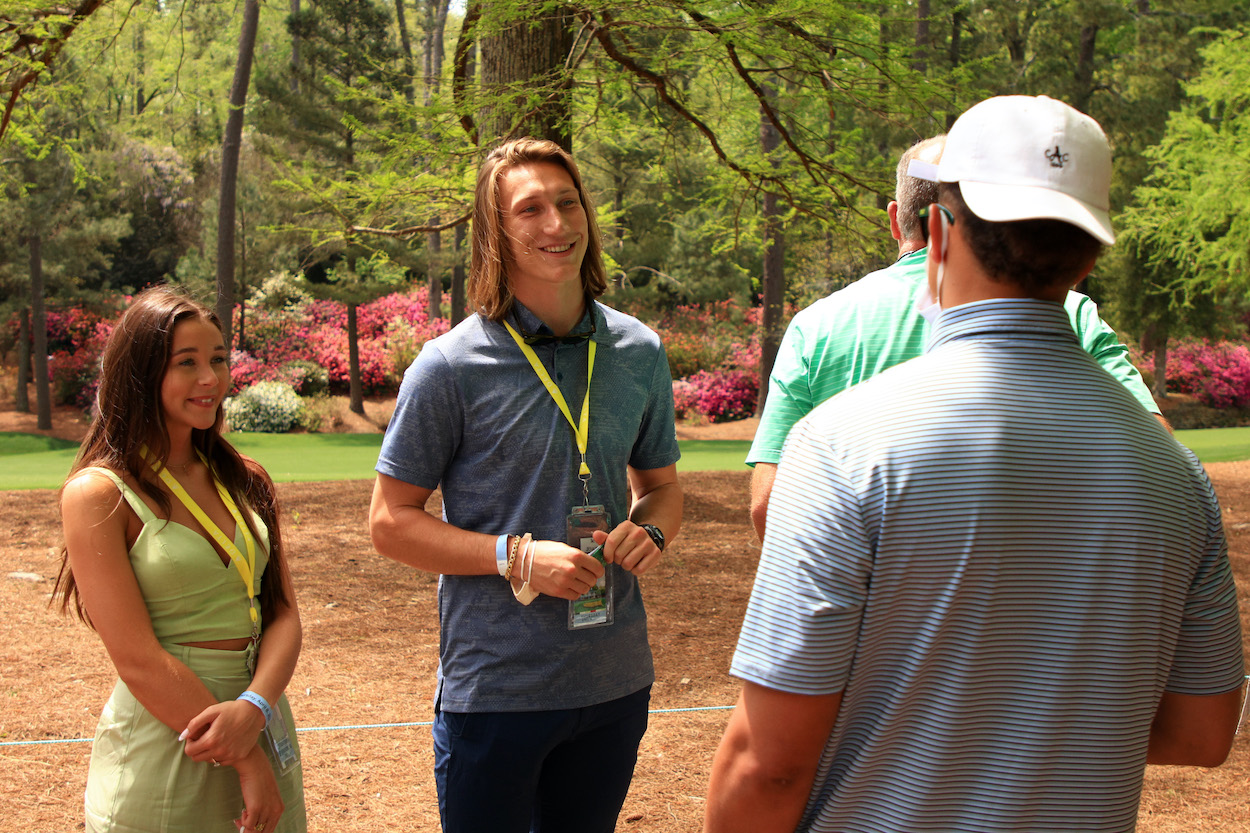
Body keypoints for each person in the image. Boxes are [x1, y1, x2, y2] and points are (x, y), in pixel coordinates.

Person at [704, 95, 1244, 833]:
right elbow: (1202, 733)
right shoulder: (1177, 477)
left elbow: (769, 765)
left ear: (936, 233)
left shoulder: (841, 446)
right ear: (1088, 257)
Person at [369, 137, 683, 833]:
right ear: (496, 235)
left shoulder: (638, 351)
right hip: (497, 692)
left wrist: (651, 527)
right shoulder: (449, 366)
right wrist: (514, 555)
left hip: (615, 682)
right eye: (531, 209)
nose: (557, 224)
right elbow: (390, 521)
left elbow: (662, 486)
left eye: (568, 202)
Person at [747, 134, 1163, 539]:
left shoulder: (816, 325)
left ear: (895, 219)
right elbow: (1156, 458)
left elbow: (769, 504)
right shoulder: (1071, 314)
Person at [55, 285, 306, 833]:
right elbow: (137, 657)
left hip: (259, 716)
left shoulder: (246, 477)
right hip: (170, 739)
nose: (211, 379)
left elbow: (283, 613)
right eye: (186, 363)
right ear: (141, 373)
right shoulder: (100, 494)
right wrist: (245, 757)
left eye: (218, 359)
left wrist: (255, 709)